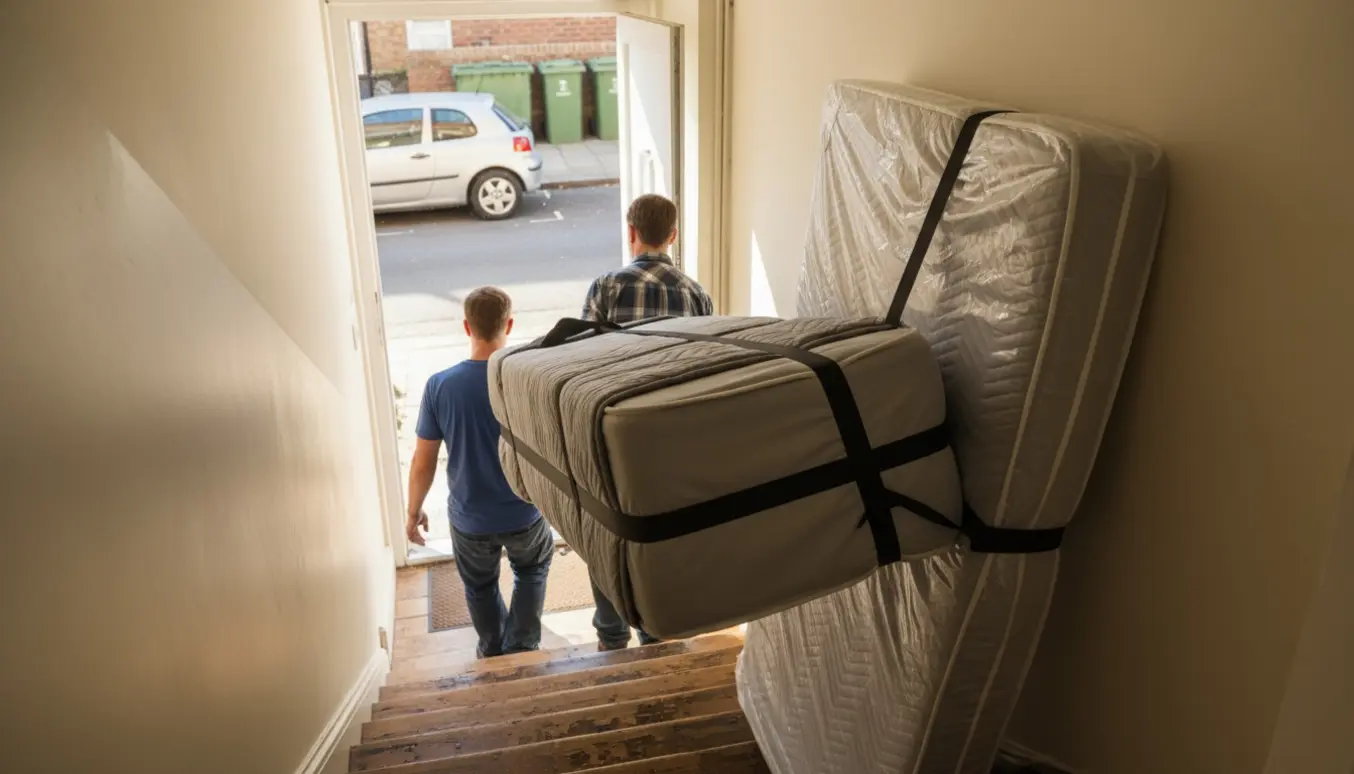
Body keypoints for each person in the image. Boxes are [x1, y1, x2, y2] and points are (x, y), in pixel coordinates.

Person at [579, 193, 715, 650]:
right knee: (661, 535)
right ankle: (657, 633)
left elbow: (580, 361)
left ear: (631, 232)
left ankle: (611, 633)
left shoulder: (606, 287)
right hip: (674, 439)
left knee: (606, 528)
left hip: (612, 434)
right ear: (673, 235)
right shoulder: (696, 295)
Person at [406, 287, 552, 659]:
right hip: (524, 510)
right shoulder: (526, 378)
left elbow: (423, 462)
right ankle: (522, 645)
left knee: (480, 585)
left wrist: (413, 511)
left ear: (467, 327)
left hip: (470, 517)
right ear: (509, 325)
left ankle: (492, 648)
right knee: (532, 569)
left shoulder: (440, 386)